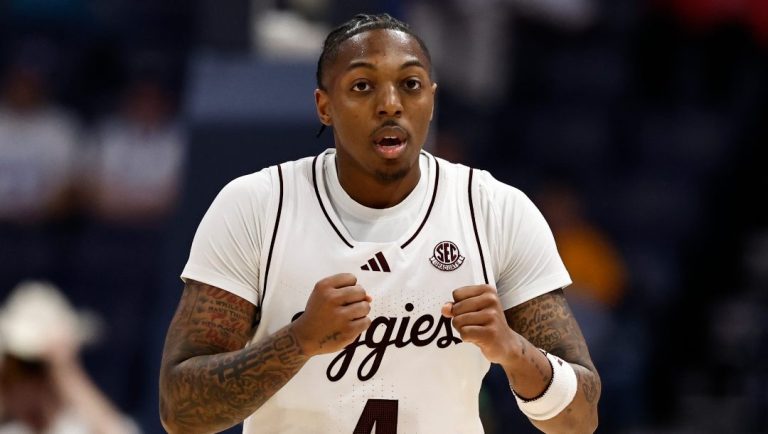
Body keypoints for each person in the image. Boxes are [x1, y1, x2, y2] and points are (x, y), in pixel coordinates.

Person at [159, 13, 600, 433]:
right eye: (362, 86)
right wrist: (298, 340)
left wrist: (513, 350)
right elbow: (180, 411)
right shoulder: (257, 206)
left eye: (410, 85)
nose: (390, 105)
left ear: (432, 99)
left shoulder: (496, 210)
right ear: (324, 106)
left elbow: (580, 419)